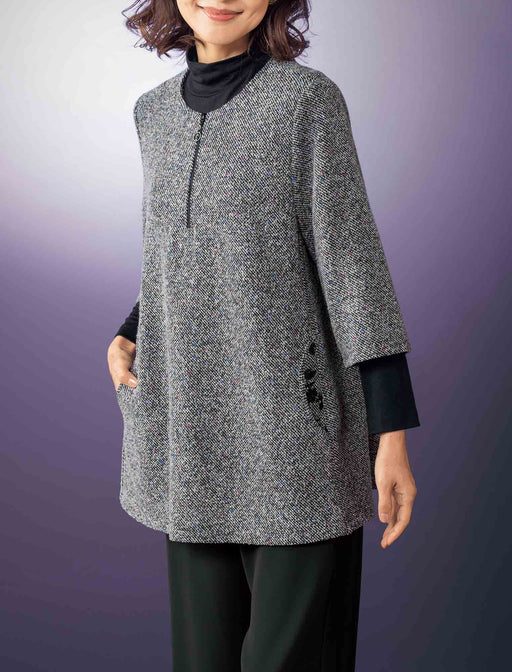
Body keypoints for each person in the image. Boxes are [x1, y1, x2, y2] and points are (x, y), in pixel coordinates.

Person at [106, 2, 420, 670]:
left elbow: (352, 266)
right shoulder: (151, 114)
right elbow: (179, 252)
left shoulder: (307, 102)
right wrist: (131, 331)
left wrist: (391, 433)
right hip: (189, 442)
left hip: (296, 446)